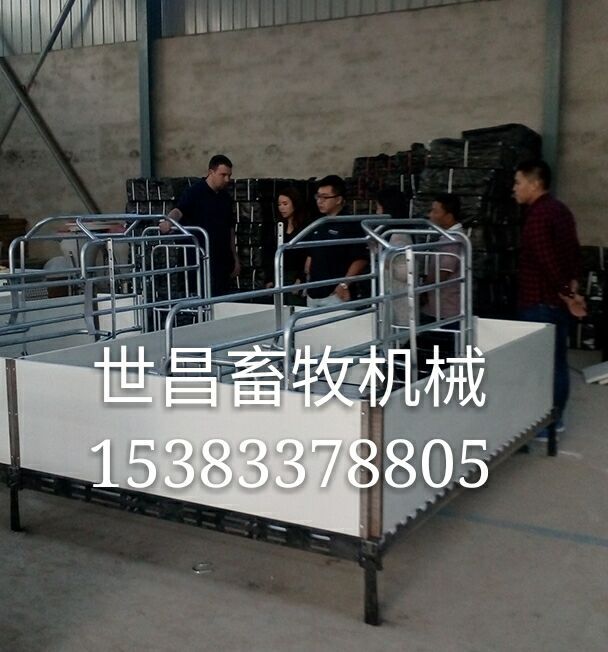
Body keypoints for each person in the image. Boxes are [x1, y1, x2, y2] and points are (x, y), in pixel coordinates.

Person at [514, 159, 582, 431]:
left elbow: (547, 262)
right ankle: (555, 420)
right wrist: (571, 289)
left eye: (518, 182)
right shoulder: (560, 210)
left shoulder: (539, 216)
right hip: (555, 303)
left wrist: (567, 293)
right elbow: (573, 254)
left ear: (535, 184)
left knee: (540, 366)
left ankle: (546, 425)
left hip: (539, 302)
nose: (514, 188)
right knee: (557, 363)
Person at [160, 154, 240, 296]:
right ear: (211, 172)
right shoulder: (194, 192)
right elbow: (179, 210)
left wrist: (235, 258)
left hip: (221, 261)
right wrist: (168, 221)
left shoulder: (226, 198)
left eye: (229, 175)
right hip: (198, 259)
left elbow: (230, 229)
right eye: (223, 175)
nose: (227, 179)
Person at [304, 175, 368, 308]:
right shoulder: (318, 223)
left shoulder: (350, 223)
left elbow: (360, 259)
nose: (320, 201)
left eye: (325, 197)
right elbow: (311, 254)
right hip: (313, 292)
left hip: (335, 295)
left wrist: (344, 284)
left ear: (338, 199)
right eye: (318, 197)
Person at [421, 193, 464, 322]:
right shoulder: (448, 237)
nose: (430, 215)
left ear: (449, 216)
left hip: (446, 310)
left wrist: (422, 289)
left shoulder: (453, 240)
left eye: (435, 212)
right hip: (440, 307)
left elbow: (443, 273)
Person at [264, 186, 308, 306]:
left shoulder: (304, 227)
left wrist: (301, 278)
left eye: (285, 204)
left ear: (295, 204)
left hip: (295, 277)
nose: (281, 208)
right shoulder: (277, 227)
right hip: (278, 276)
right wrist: (269, 278)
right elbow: (270, 254)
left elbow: (307, 255)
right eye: (279, 204)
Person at [376, 187, 411, 327]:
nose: (377, 212)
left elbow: (404, 272)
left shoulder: (399, 236)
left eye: (379, 208)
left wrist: (382, 260)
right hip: (393, 296)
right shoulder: (391, 234)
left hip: (398, 297)